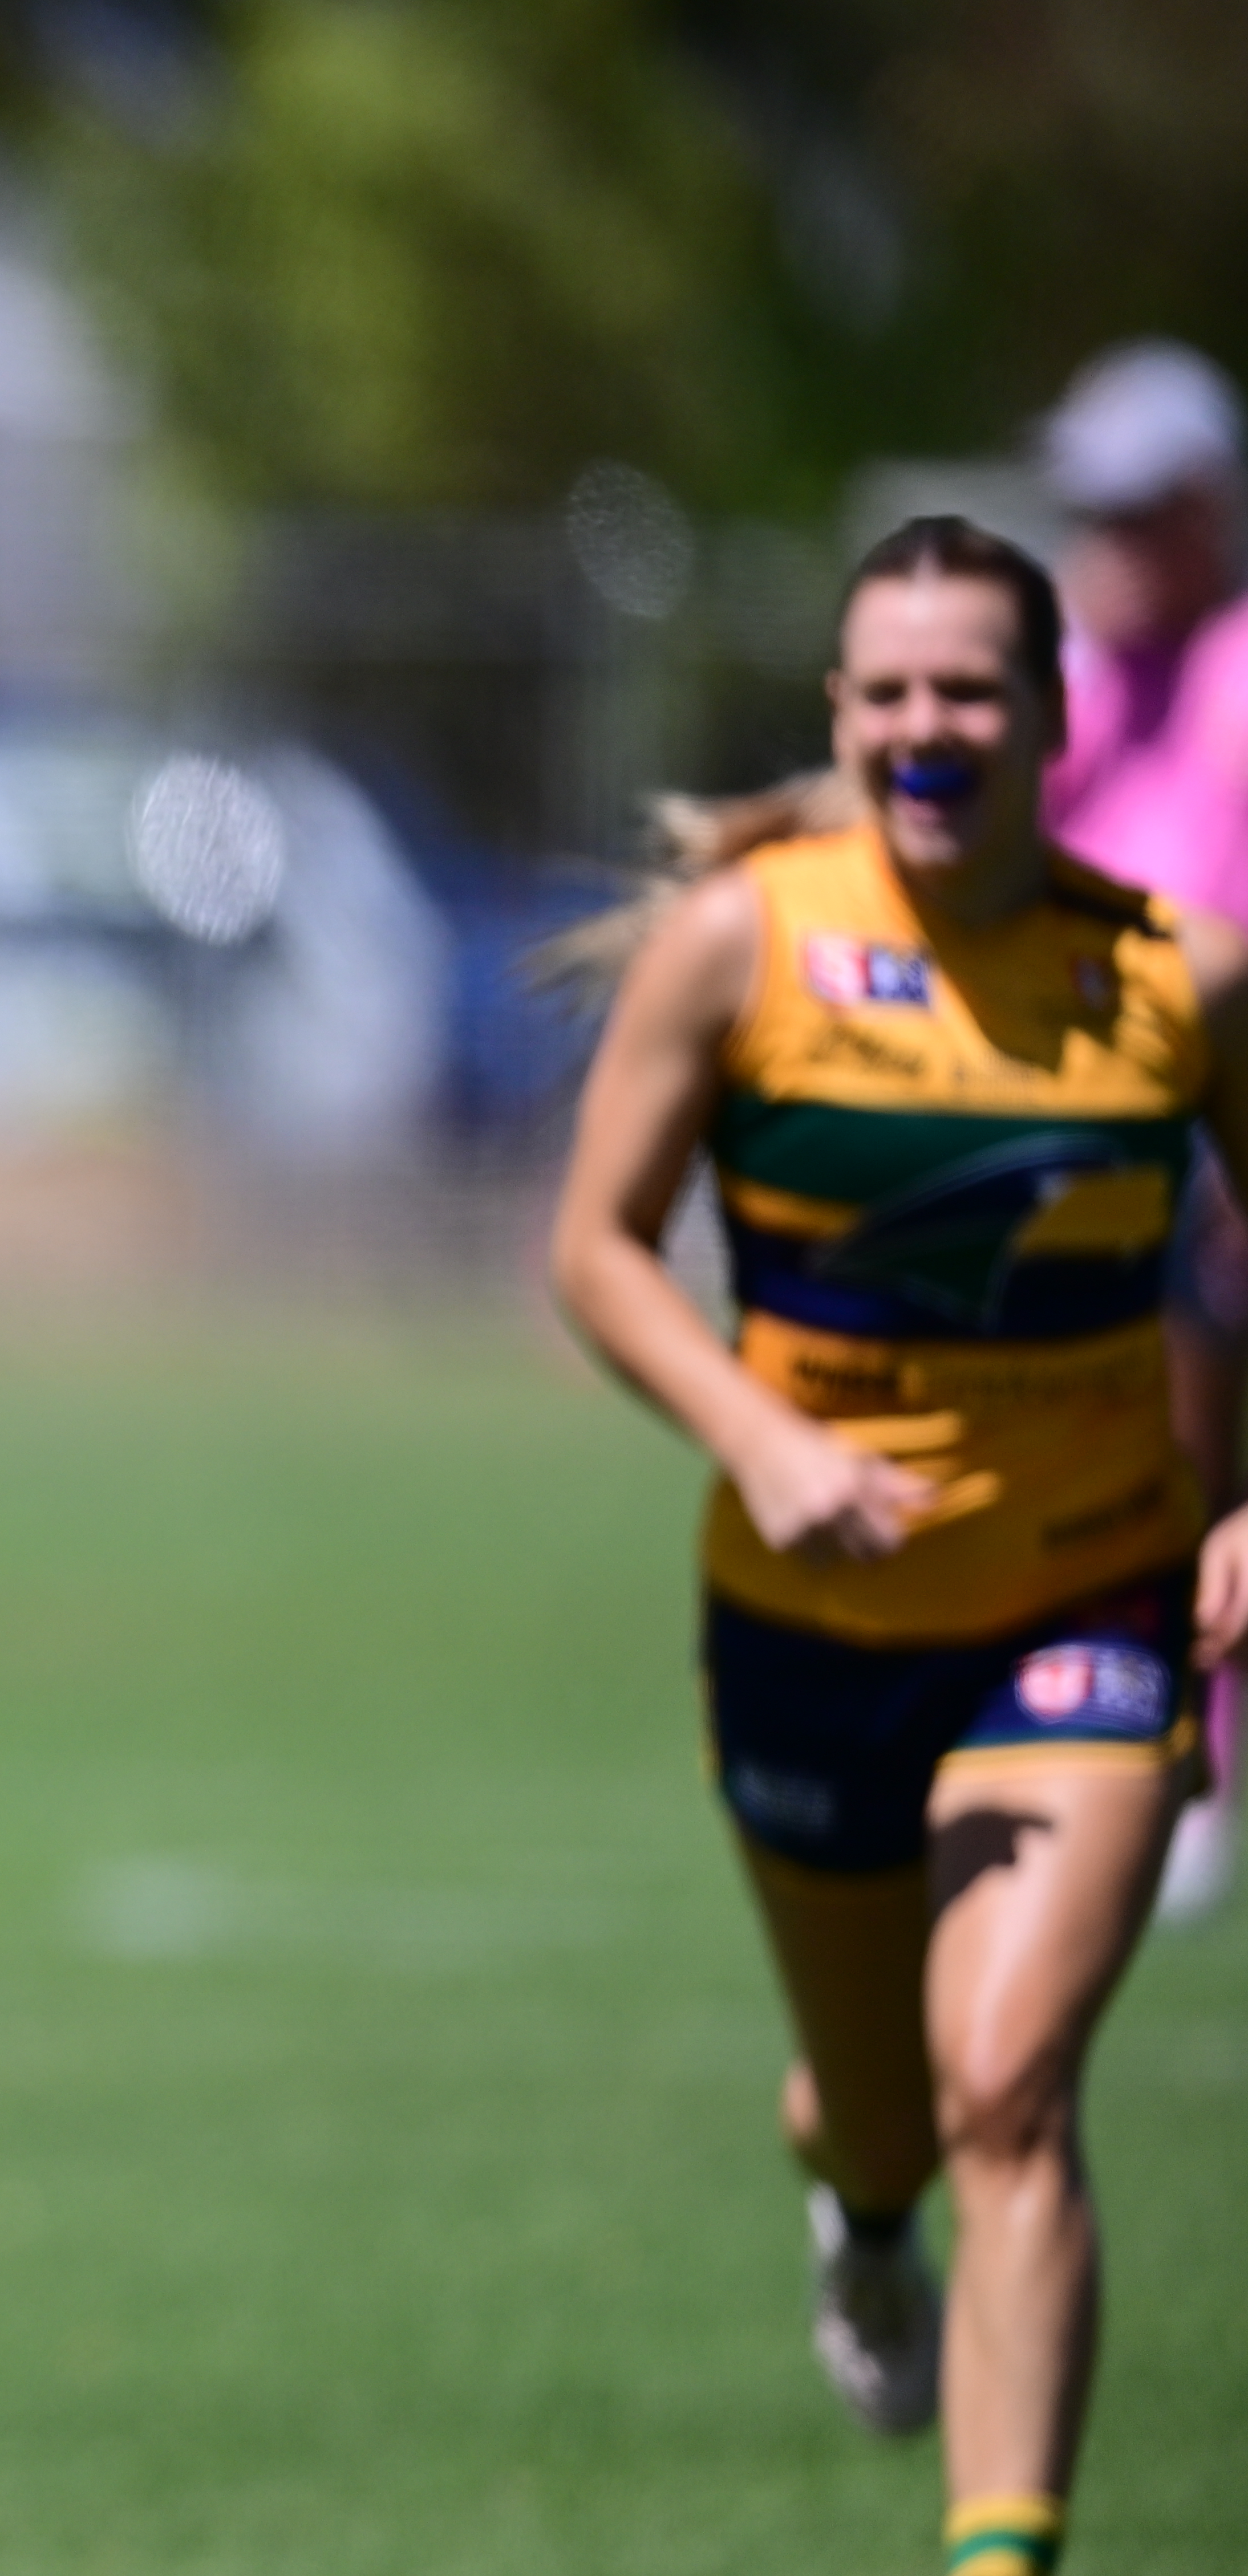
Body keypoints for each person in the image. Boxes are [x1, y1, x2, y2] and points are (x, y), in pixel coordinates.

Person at [550, 515, 1248, 2576]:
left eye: (970, 690)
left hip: (1088, 1598)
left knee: (1008, 2082)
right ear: (843, 717)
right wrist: (759, 1437)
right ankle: (861, 2214)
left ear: (1051, 718)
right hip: (809, 1627)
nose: (927, 726)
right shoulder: (742, 946)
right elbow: (595, 1248)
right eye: (889, 692)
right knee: (884, 2114)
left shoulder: (1179, 976)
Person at [1032, 340, 1248, 1922]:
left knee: (1191, 1455)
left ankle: (1192, 1754)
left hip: (1207, 1136)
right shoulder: (1079, 685)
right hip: (1082, 1133)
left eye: (1135, 514)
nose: (1109, 546)